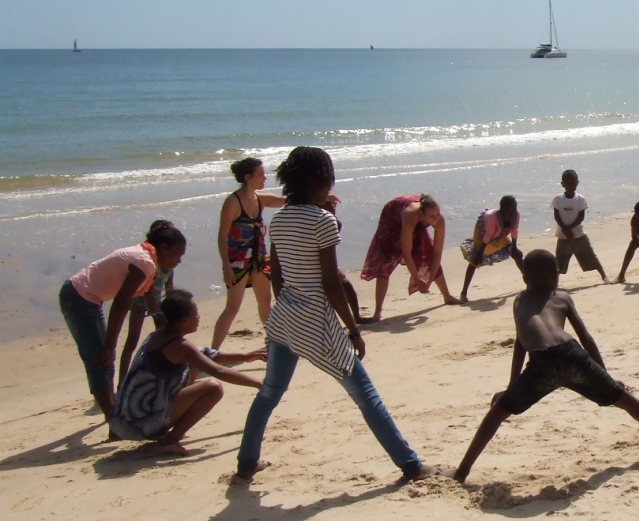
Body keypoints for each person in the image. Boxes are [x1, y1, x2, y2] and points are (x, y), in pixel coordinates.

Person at [237, 147, 434, 482]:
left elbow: (279, 277)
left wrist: (290, 309)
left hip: (283, 319)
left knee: (269, 393)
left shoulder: (280, 217)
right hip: (318, 322)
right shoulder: (323, 221)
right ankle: (411, 465)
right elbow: (331, 284)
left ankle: (246, 463)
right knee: (365, 393)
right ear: (319, 180)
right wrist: (353, 330)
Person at [453, 249, 639, 483]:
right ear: (556, 276)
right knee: (622, 399)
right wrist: (605, 374)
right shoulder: (562, 297)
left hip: (541, 362)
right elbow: (586, 338)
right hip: (570, 353)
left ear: (524, 279)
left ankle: (461, 472)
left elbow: (521, 342)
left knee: (497, 414)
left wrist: (512, 385)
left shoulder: (519, 300)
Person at [109, 289, 265, 455]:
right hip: (140, 425)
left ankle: (173, 429)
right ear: (182, 320)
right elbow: (217, 371)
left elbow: (205, 355)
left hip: (123, 420)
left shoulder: (157, 336)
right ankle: (169, 440)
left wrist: (246, 356)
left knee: (195, 365)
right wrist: (259, 384)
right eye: (195, 314)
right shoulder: (179, 346)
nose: (199, 317)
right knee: (213, 388)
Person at [59, 223, 188, 419]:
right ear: (163, 248)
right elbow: (120, 304)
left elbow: (145, 296)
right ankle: (114, 421)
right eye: (178, 254)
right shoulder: (144, 262)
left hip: (89, 299)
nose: (179, 261)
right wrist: (111, 346)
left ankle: (114, 414)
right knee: (100, 359)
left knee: (104, 361)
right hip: (79, 297)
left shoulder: (147, 259)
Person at [211, 158, 286, 351]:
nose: (265, 177)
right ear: (248, 177)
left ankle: (273, 345)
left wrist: (323, 197)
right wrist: (226, 267)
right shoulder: (232, 202)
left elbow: (288, 201)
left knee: (265, 302)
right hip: (237, 262)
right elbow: (221, 238)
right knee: (232, 308)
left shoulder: (260, 199)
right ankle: (213, 352)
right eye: (261, 174)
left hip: (259, 260)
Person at [360, 194, 461, 321]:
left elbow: (436, 254)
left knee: (427, 252)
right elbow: (407, 254)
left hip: (417, 221)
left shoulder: (438, 219)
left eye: (437, 214)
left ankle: (447, 296)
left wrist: (428, 282)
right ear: (422, 214)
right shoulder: (411, 215)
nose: (436, 219)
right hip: (392, 217)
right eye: (432, 216)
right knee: (384, 262)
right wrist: (418, 279)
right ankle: (377, 312)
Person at [118, 220, 176, 389]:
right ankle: (122, 383)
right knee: (132, 340)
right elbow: (149, 290)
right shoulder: (151, 262)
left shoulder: (170, 262)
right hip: (140, 301)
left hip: (157, 303)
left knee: (165, 338)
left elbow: (169, 286)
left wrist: (172, 305)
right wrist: (155, 312)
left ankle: (162, 374)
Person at [459, 195, 525, 303]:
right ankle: (463, 293)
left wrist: (514, 248)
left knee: (517, 255)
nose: (513, 213)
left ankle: (529, 282)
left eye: (514, 209)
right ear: (502, 209)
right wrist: (479, 254)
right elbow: (487, 236)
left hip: (499, 233)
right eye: (509, 210)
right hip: (482, 234)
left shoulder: (516, 215)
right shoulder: (491, 217)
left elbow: (514, 232)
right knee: (474, 261)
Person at [552, 169, 609, 282]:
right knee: (559, 261)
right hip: (563, 236)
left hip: (578, 234)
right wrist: (565, 229)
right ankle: (553, 282)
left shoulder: (580, 199)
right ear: (562, 184)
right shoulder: (558, 199)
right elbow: (557, 216)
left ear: (577, 183)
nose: (571, 186)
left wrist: (570, 228)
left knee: (590, 255)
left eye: (573, 183)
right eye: (567, 184)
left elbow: (581, 217)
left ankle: (604, 276)